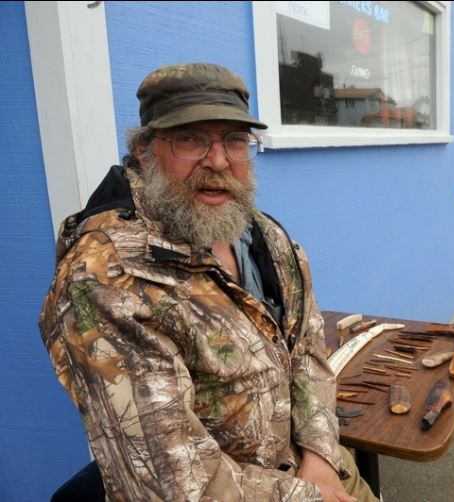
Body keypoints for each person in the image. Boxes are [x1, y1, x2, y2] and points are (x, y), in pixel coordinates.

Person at [39, 63, 376, 501]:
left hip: (308, 462)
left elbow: (307, 352)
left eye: (234, 140)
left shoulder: (262, 237)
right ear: (144, 151)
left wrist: (321, 455)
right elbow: (172, 482)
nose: (217, 160)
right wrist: (308, 494)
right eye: (190, 139)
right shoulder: (107, 279)